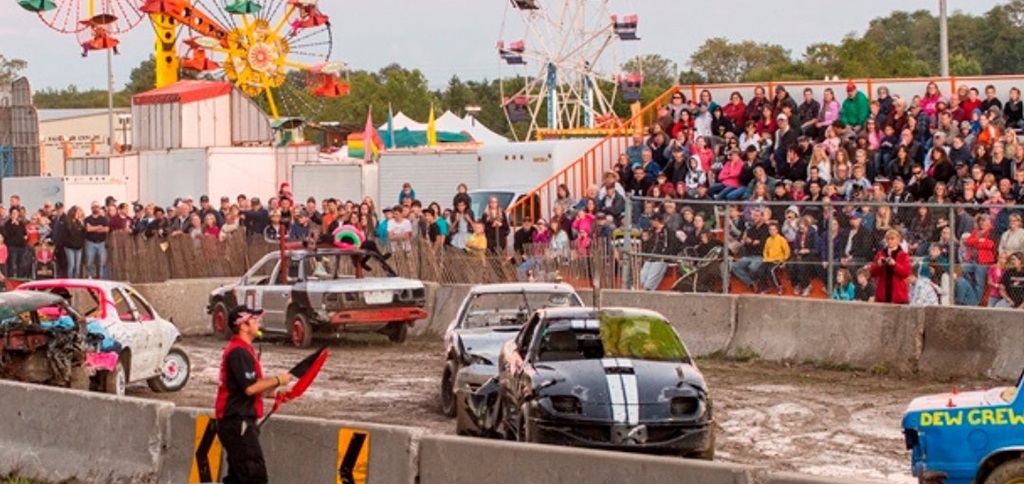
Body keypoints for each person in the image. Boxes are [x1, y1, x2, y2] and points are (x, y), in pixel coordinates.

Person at [215, 307, 294, 484]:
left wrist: (275, 392)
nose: (258, 323)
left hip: (236, 422)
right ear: (243, 326)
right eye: (254, 320)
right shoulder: (239, 352)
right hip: (238, 422)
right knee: (254, 476)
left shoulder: (243, 350)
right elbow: (250, 388)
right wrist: (278, 379)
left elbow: (250, 389)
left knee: (238, 477)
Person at [870, 229, 912, 304]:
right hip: (883, 294)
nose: (890, 241)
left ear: (898, 240)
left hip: (898, 294)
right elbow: (872, 273)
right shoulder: (880, 254)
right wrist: (878, 265)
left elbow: (905, 273)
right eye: (888, 239)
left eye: (892, 239)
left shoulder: (903, 255)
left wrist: (895, 265)